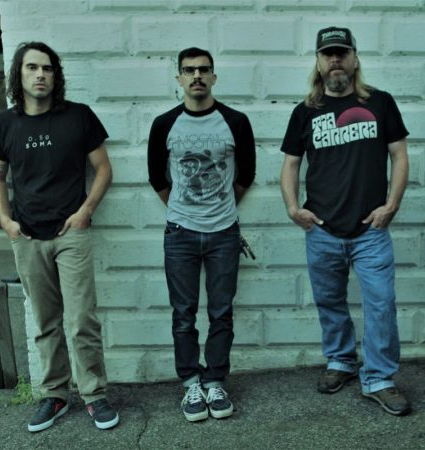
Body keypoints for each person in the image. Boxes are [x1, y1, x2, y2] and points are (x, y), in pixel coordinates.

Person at [0, 42, 118, 432]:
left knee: (81, 320)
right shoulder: (4, 123)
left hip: (71, 233)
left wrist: (85, 211)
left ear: (55, 76)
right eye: (31, 67)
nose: (40, 74)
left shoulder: (78, 117)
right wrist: (6, 222)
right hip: (27, 236)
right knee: (45, 322)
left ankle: (94, 395)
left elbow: (103, 169)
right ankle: (55, 395)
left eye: (47, 68)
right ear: (19, 74)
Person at [280, 27, 411, 416]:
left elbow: (399, 155)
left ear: (354, 58)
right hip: (322, 228)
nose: (335, 59)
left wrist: (392, 205)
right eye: (328, 54)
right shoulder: (305, 112)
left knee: (381, 303)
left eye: (342, 53)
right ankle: (340, 361)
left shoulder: (380, 102)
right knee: (329, 301)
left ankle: (379, 378)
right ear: (319, 62)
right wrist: (293, 207)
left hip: (371, 230)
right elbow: (291, 164)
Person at [147, 47, 256, 422]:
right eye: (189, 70)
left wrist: (219, 209)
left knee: (222, 312)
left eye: (204, 69)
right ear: (178, 78)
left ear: (214, 77)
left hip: (224, 233)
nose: (197, 76)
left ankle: (215, 381)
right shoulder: (164, 124)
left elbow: (246, 174)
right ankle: (191, 383)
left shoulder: (235, 121)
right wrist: (185, 210)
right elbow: (157, 177)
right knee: (184, 314)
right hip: (180, 233)